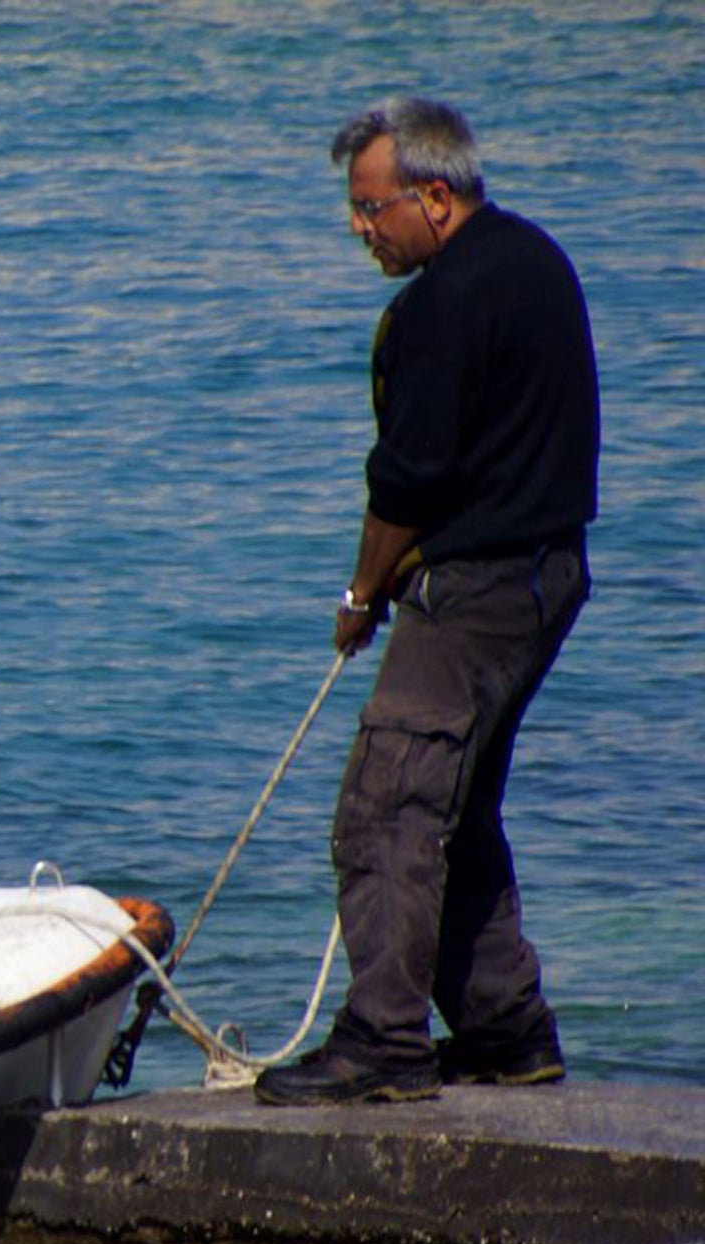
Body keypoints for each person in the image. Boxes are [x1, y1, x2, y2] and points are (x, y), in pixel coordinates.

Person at [255, 98, 599, 1107]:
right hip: (548, 574)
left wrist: (361, 592)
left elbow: (405, 480)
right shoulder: (534, 259)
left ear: (432, 197)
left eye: (370, 209)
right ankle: (504, 1032)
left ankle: (382, 1042)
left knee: (385, 810)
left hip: (477, 590)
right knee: (458, 808)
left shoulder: (441, 305)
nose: (358, 230)